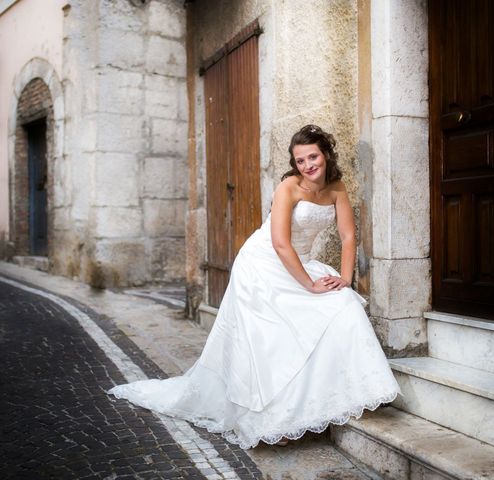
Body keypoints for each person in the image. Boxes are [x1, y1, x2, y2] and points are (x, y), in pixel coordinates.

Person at [109, 124, 401, 449]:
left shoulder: (336, 188)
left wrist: (345, 279)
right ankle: (275, 419)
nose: (308, 165)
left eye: (313, 157)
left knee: (343, 304)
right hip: (263, 264)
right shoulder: (288, 187)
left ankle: (338, 398)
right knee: (272, 336)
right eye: (300, 160)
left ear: (326, 154)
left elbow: (348, 236)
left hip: (300, 261)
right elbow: (280, 244)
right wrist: (309, 285)